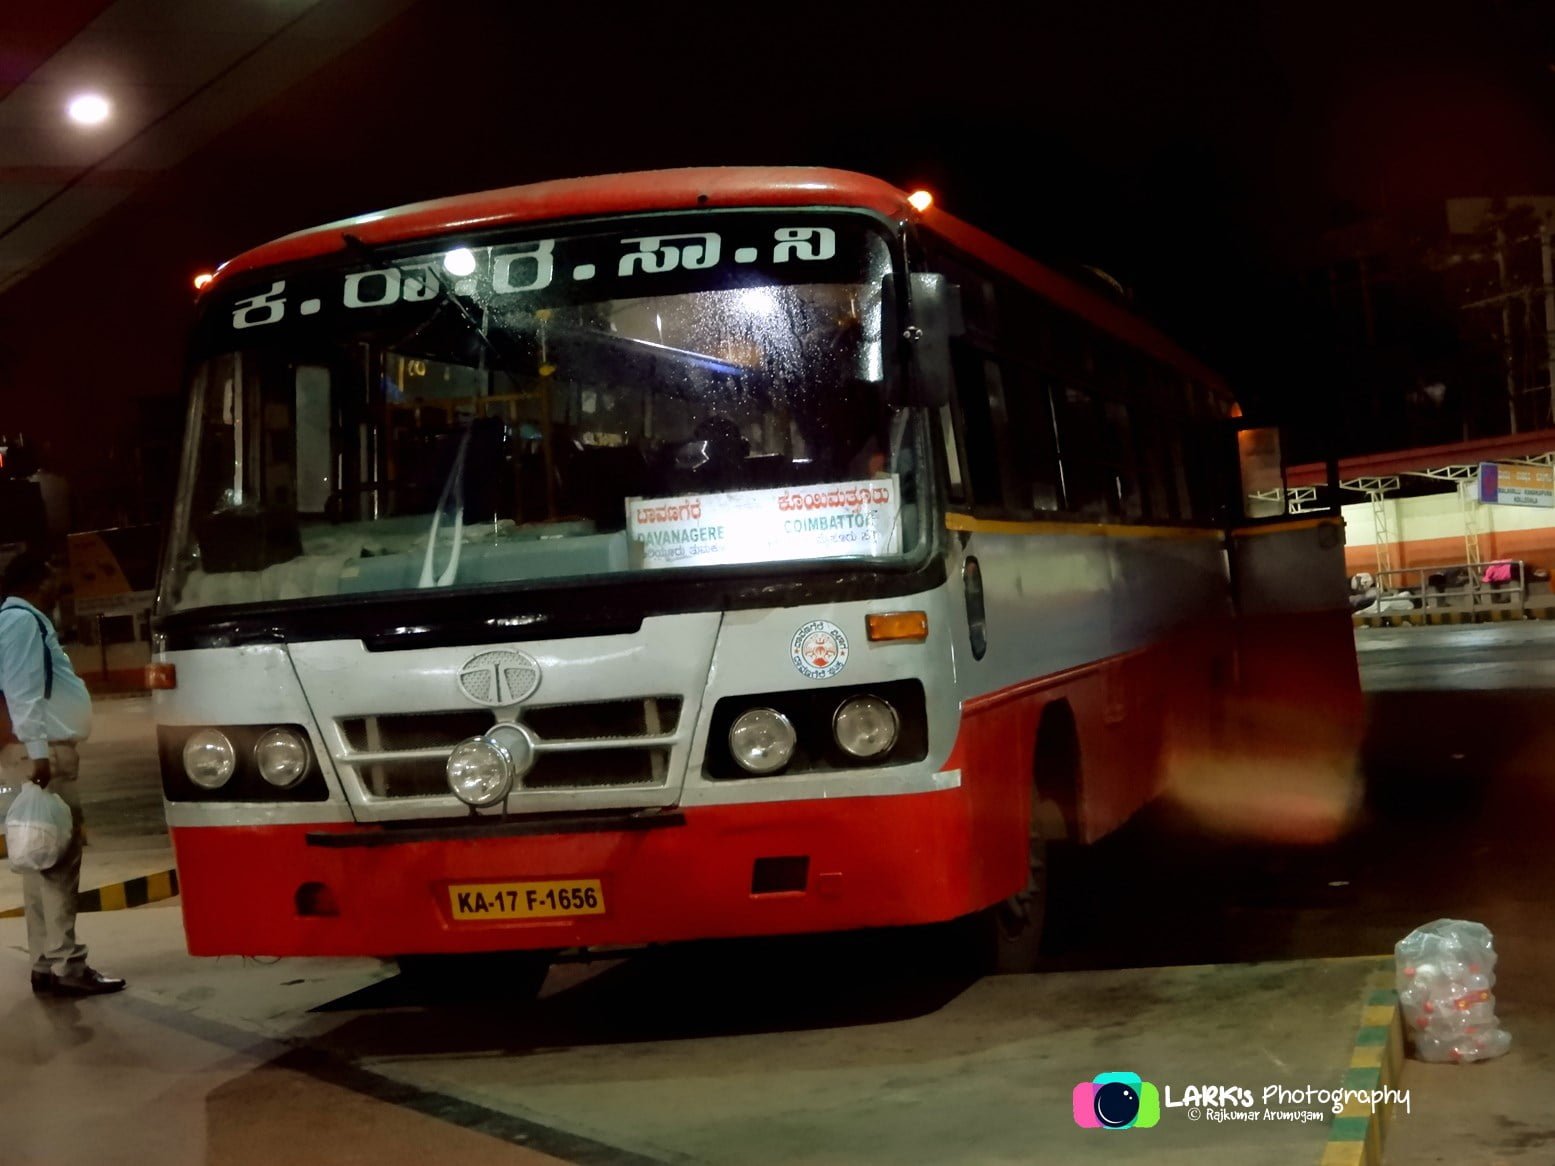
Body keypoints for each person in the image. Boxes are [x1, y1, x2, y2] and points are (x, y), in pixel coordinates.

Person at [0, 551, 125, 997]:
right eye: (53, 578)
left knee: (39, 856)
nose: (59, 587)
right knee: (59, 859)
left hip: (33, 750)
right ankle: (68, 965)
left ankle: (45, 963)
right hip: (44, 753)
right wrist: (39, 754)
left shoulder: (16, 620)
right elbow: (23, 690)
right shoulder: (22, 621)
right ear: (36, 580)